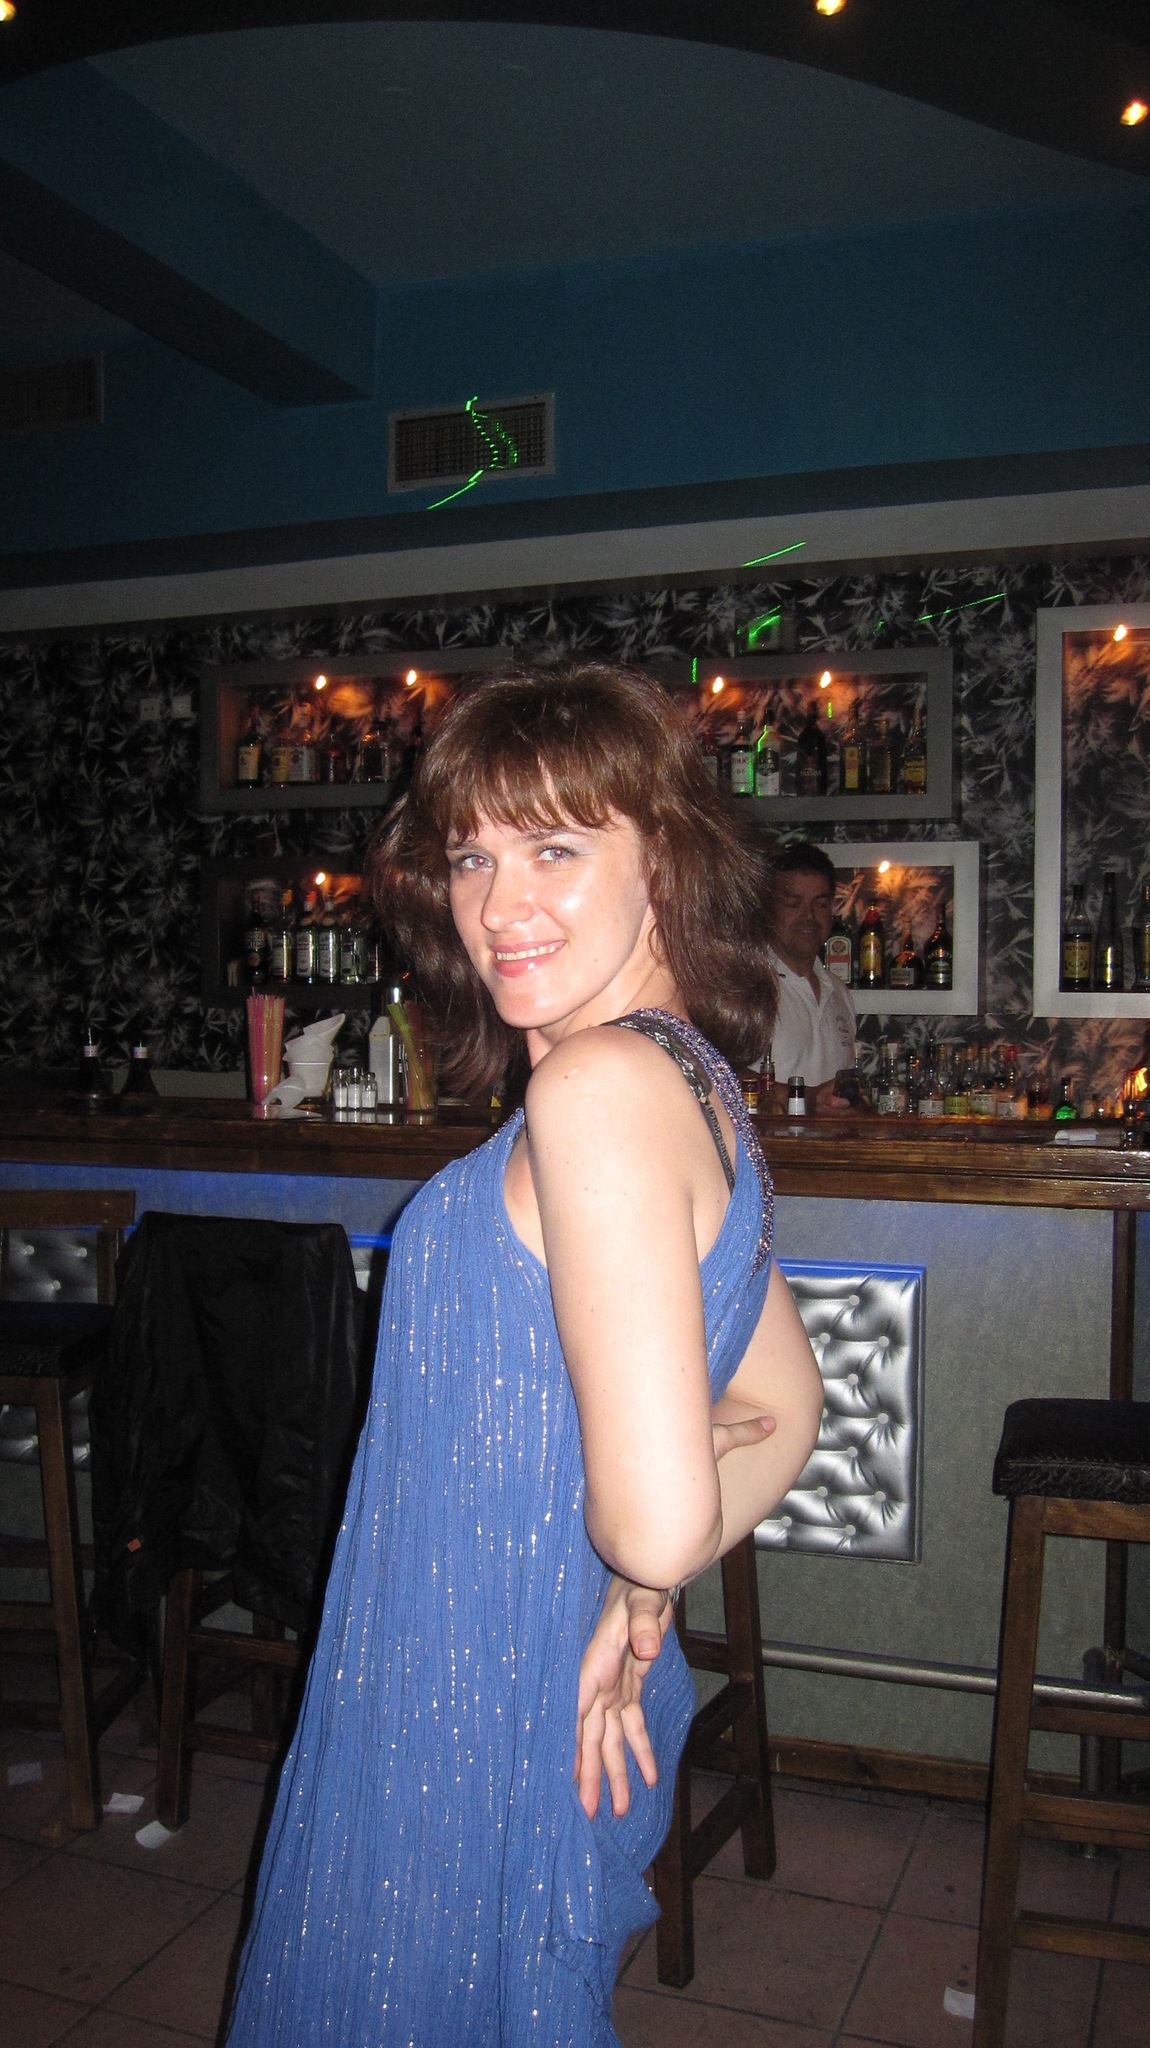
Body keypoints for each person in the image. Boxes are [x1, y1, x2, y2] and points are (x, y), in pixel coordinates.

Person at [224, 662, 824, 2048]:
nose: (498, 905)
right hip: (529, 1662)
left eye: (554, 847)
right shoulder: (685, 1074)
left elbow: (666, 1506)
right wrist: (643, 1593)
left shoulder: (597, 1087)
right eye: (470, 857)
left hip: (478, 1684)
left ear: (663, 858)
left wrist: (646, 1560)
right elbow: (786, 1402)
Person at [767, 840, 858, 1112]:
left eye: (819, 904)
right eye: (793, 903)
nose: (808, 916)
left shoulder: (839, 991)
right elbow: (718, 1076)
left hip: (833, 1142)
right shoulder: (744, 987)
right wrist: (808, 1098)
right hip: (766, 1141)